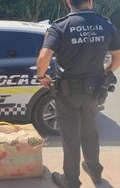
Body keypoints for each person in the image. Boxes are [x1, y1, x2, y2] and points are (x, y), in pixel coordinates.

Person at [36, 0, 120, 187]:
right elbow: (118, 55)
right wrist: (108, 70)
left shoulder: (61, 26)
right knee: (90, 131)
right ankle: (94, 170)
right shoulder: (105, 24)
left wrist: (41, 76)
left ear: (68, 3)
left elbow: (43, 57)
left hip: (67, 94)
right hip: (94, 91)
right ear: (90, 1)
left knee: (70, 136)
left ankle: (71, 180)